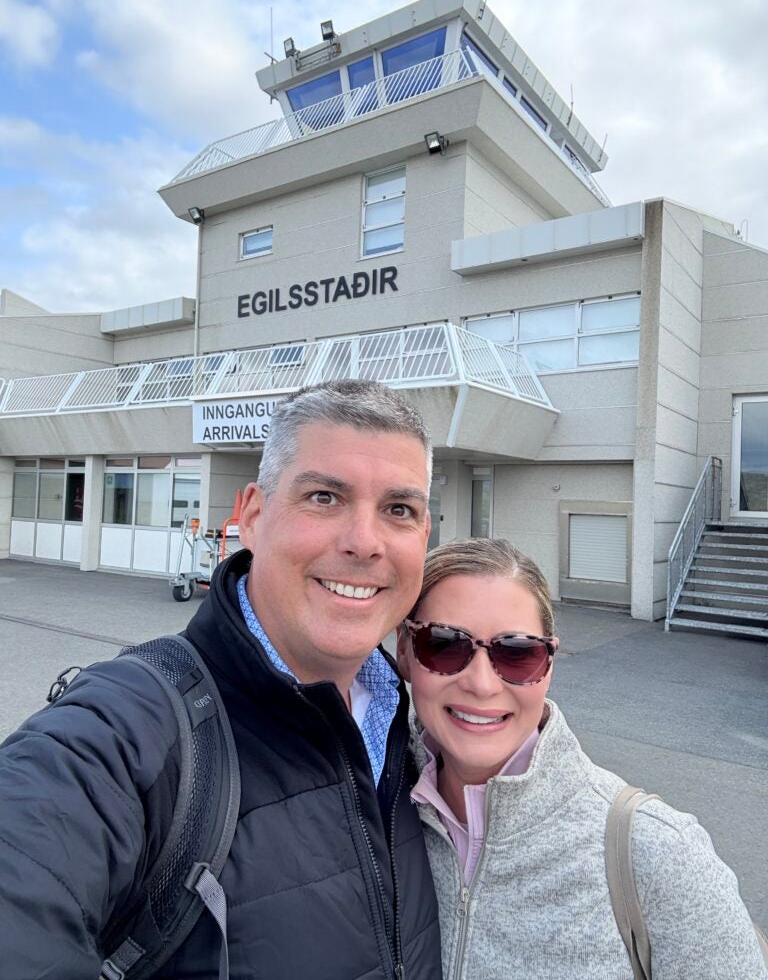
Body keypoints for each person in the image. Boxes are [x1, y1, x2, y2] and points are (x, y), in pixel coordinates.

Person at [0, 379, 442, 980]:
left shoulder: (414, 729)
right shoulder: (129, 729)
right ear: (254, 519)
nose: (364, 542)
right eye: (323, 498)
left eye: (398, 510)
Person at [396, 537, 767, 980]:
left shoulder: (656, 853)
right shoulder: (375, 816)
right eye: (444, 645)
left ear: (548, 666)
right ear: (404, 650)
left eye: (517, 653)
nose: (481, 684)